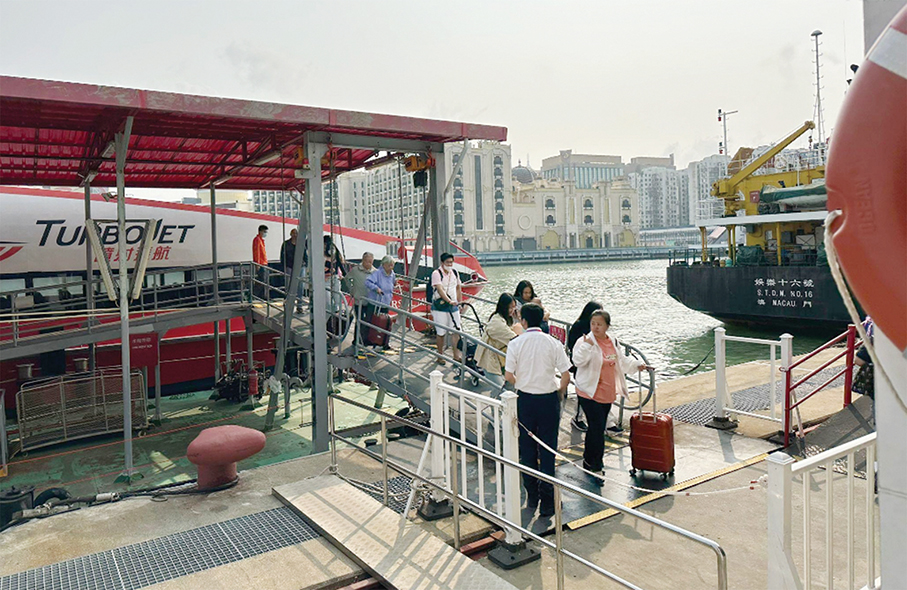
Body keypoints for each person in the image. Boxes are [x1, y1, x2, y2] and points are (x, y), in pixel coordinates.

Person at [505, 303, 571, 517]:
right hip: (548, 399)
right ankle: (548, 502)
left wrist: (521, 383)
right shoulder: (554, 343)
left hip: (525, 399)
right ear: (541, 319)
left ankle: (532, 496)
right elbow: (565, 374)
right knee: (548, 449)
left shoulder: (516, 343)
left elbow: (508, 376)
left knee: (527, 448)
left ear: (523, 321)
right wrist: (559, 390)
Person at [572, 310, 648, 475]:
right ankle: (597, 465)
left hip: (607, 391)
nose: (595, 327)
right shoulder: (584, 341)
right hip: (588, 391)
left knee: (595, 428)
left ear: (607, 326)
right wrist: (587, 346)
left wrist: (637, 365)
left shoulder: (612, 341)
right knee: (597, 427)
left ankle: (588, 459)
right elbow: (577, 361)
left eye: (599, 324)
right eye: (593, 324)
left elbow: (621, 360)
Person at [567, 301, 604, 432]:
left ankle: (598, 420)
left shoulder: (597, 328)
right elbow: (572, 346)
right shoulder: (579, 326)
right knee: (583, 391)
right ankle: (578, 418)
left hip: (595, 364)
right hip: (581, 365)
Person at [475, 293, 523, 390]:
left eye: (514, 307)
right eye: (510, 308)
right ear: (503, 307)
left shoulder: (503, 318)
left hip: (501, 358)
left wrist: (518, 319)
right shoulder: (497, 323)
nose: (512, 310)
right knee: (501, 390)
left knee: (504, 389)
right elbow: (514, 339)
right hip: (490, 360)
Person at [431, 252, 462, 365]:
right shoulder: (436, 273)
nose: (450, 264)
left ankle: (456, 355)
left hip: (453, 306)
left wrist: (459, 302)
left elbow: (458, 287)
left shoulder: (454, 272)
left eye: (451, 262)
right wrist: (449, 301)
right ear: (442, 263)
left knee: (456, 331)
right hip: (440, 306)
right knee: (441, 332)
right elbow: (440, 289)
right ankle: (440, 355)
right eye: (447, 262)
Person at [365, 256, 396, 349]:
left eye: (392, 265)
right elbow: (367, 282)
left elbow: (393, 283)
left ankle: (384, 343)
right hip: (376, 302)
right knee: (373, 323)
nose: (391, 267)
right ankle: (372, 342)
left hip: (385, 302)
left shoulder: (392, 274)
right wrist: (376, 288)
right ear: (383, 265)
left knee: (385, 323)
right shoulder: (377, 273)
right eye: (389, 265)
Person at [346, 252, 376, 344]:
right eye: (367, 261)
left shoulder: (375, 272)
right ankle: (356, 340)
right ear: (363, 261)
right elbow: (347, 278)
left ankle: (365, 339)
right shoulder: (355, 270)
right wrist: (352, 290)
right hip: (359, 300)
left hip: (370, 300)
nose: (369, 264)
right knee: (359, 320)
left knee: (369, 320)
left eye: (370, 262)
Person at [279, 228, 306, 311]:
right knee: (289, 286)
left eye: (296, 234)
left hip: (300, 267)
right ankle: (288, 303)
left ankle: (299, 305)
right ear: (291, 234)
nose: (295, 235)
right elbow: (282, 256)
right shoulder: (286, 244)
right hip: (289, 266)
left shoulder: (301, 244)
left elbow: (305, 254)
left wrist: (306, 264)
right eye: (293, 233)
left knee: (300, 287)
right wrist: (283, 267)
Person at [323, 235, 346, 314]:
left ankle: (336, 313)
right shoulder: (321, 253)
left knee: (337, 298)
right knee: (328, 299)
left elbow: (339, 263)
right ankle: (331, 314)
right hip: (325, 279)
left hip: (333, 277)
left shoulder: (333, 251)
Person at [252, 225, 268, 299]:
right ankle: (254, 295)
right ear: (260, 231)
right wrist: (257, 264)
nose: (265, 233)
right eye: (264, 231)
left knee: (263, 281)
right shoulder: (257, 240)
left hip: (263, 263)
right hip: (261, 263)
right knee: (261, 280)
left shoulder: (261, 240)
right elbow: (257, 252)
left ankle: (262, 296)